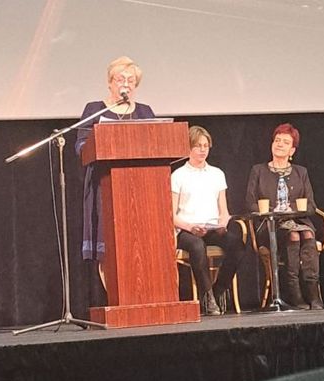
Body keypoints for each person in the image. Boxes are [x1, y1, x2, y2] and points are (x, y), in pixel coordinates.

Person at [75, 56, 155, 262]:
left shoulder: (145, 112)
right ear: (110, 83)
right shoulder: (94, 109)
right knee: (109, 252)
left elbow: (156, 145)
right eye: (120, 79)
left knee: (139, 247)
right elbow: (81, 146)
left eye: (130, 80)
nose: (125, 84)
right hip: (104, 184)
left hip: (140, 186)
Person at [245, 123, 323, 310]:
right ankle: (294, 293)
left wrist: (291, 209)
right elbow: (250, 203)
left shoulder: (301, 172)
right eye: (277, 140)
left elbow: (311, 206)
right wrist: (276, 210)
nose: (279, 144)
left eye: (285, 142)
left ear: (292, 150)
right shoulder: (258, 170)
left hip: (299, 222)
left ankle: (313, 293)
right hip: (271, 226)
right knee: (294, 235)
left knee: (307, 234)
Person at [171, 126, 245, 316]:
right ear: (188, 148)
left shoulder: (217, 174)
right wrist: (190, 227)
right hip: (187, 230)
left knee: (237, 244)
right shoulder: (178, 175)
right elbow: (171, 215)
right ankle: (207, 298)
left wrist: (222, 224)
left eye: (206, 146)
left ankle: (218, 290)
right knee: (197, 246)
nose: (203, 150)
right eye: (198, 146)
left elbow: (224, 211)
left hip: (212, 228)